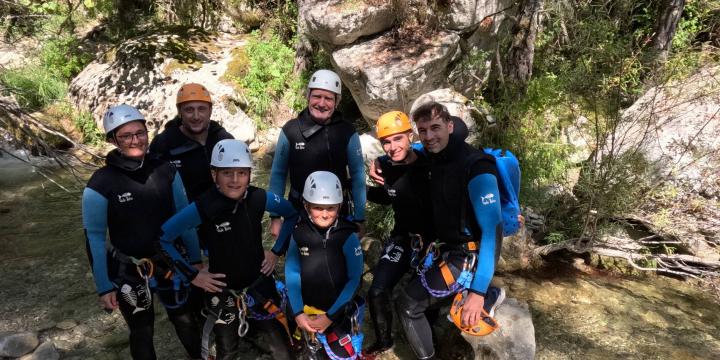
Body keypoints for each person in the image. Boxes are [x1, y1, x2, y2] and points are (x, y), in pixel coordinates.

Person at [157, 139, 299, 360]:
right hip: (222, 290)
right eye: (227, 173)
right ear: (214, 175)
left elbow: (292, 213)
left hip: (259, 283)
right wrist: (193, 274)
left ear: (249, 174)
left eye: (242, 173)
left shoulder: (258, 198)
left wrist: (275, 252)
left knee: (282, 350)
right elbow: (163, 238)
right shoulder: (204, 206)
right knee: (227, 352)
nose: (235, 180)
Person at [82, 104, 202, 360]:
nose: (135, 140)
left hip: (171, 262)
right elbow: (94, 237)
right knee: (141, 331)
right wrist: (104, 287)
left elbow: (186, 217)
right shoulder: (101, 183)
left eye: (140, 133)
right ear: (113, 140)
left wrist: (195, 262)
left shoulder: (166, 170)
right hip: (129, 270)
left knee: (186, 321)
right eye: (126, 136)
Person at [395, 102, 505, 359]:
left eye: (435, 128)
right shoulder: (434, 156)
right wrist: (381, 164)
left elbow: (493, 231)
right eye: (423, 131)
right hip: (446, 249)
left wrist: (476, 295)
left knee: (408, 305)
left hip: (466, 256)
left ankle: (484, 293)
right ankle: (489, 293)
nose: (429, 136)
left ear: (450, 126)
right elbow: (410, 153)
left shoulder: (476, 166)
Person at [362, 111, 436, 357]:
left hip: (435, 243)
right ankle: (384, 342)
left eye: (398, 139)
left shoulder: (430, 164)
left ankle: (431, 342)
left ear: (410, 136)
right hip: (403, 239)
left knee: (426, 301)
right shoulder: (384, 165)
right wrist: (360, 190)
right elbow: (389, 196)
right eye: (386, 142)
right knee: (377, 291)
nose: (392, 147)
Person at [268, 69, 366, 239]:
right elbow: (278, 174)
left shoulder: (347, 131)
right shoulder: (291, 130)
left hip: (336, 212)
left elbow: (358, 175)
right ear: (308, 97)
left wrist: (360, 217)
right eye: (317, 96)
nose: (321, 103)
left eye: (328, 98)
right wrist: (275, 216)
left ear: (337, 102)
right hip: (298, 211)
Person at [285, 171, 365, 359]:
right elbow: (292, 273)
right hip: (306, 311)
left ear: (339, 206)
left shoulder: (348, 236)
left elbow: (354, 280)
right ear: (306, 206)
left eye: (330, 208)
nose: (324, 214)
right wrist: (297, 312)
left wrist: (329, 317)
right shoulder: (299, 235)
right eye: (317, 208)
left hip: (338, 313)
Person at [149, 83, 233, 203]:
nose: (196, 116)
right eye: (189, 110)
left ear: (210, 111)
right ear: (179, 112)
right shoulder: (163, 144)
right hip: (185, 216)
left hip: (224, 212)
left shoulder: (224, 139)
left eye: (201, 109)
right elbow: (154, 189)